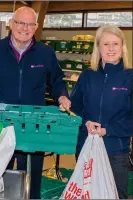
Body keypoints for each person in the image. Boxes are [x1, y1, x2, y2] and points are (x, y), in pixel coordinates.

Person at [0, 6, 71, 199]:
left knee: (32, 177)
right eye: (20, 23)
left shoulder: (45, 53)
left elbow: (57, 81)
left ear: (36, 27)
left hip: (33, 126)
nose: (25, 28)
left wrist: (62, 95)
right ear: (11, 23)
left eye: (30, 24)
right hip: (1, 123)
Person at [63, 24, 132, 199]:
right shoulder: (87, 76)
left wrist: (107, 130)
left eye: (115, 44)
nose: (110, 48)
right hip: (87, 149)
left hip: (116, 151)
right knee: (87, 195)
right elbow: (75, 109)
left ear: (122, 47)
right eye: (105, 44)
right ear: (98, 48)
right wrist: (85, 121)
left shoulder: (130, 77)